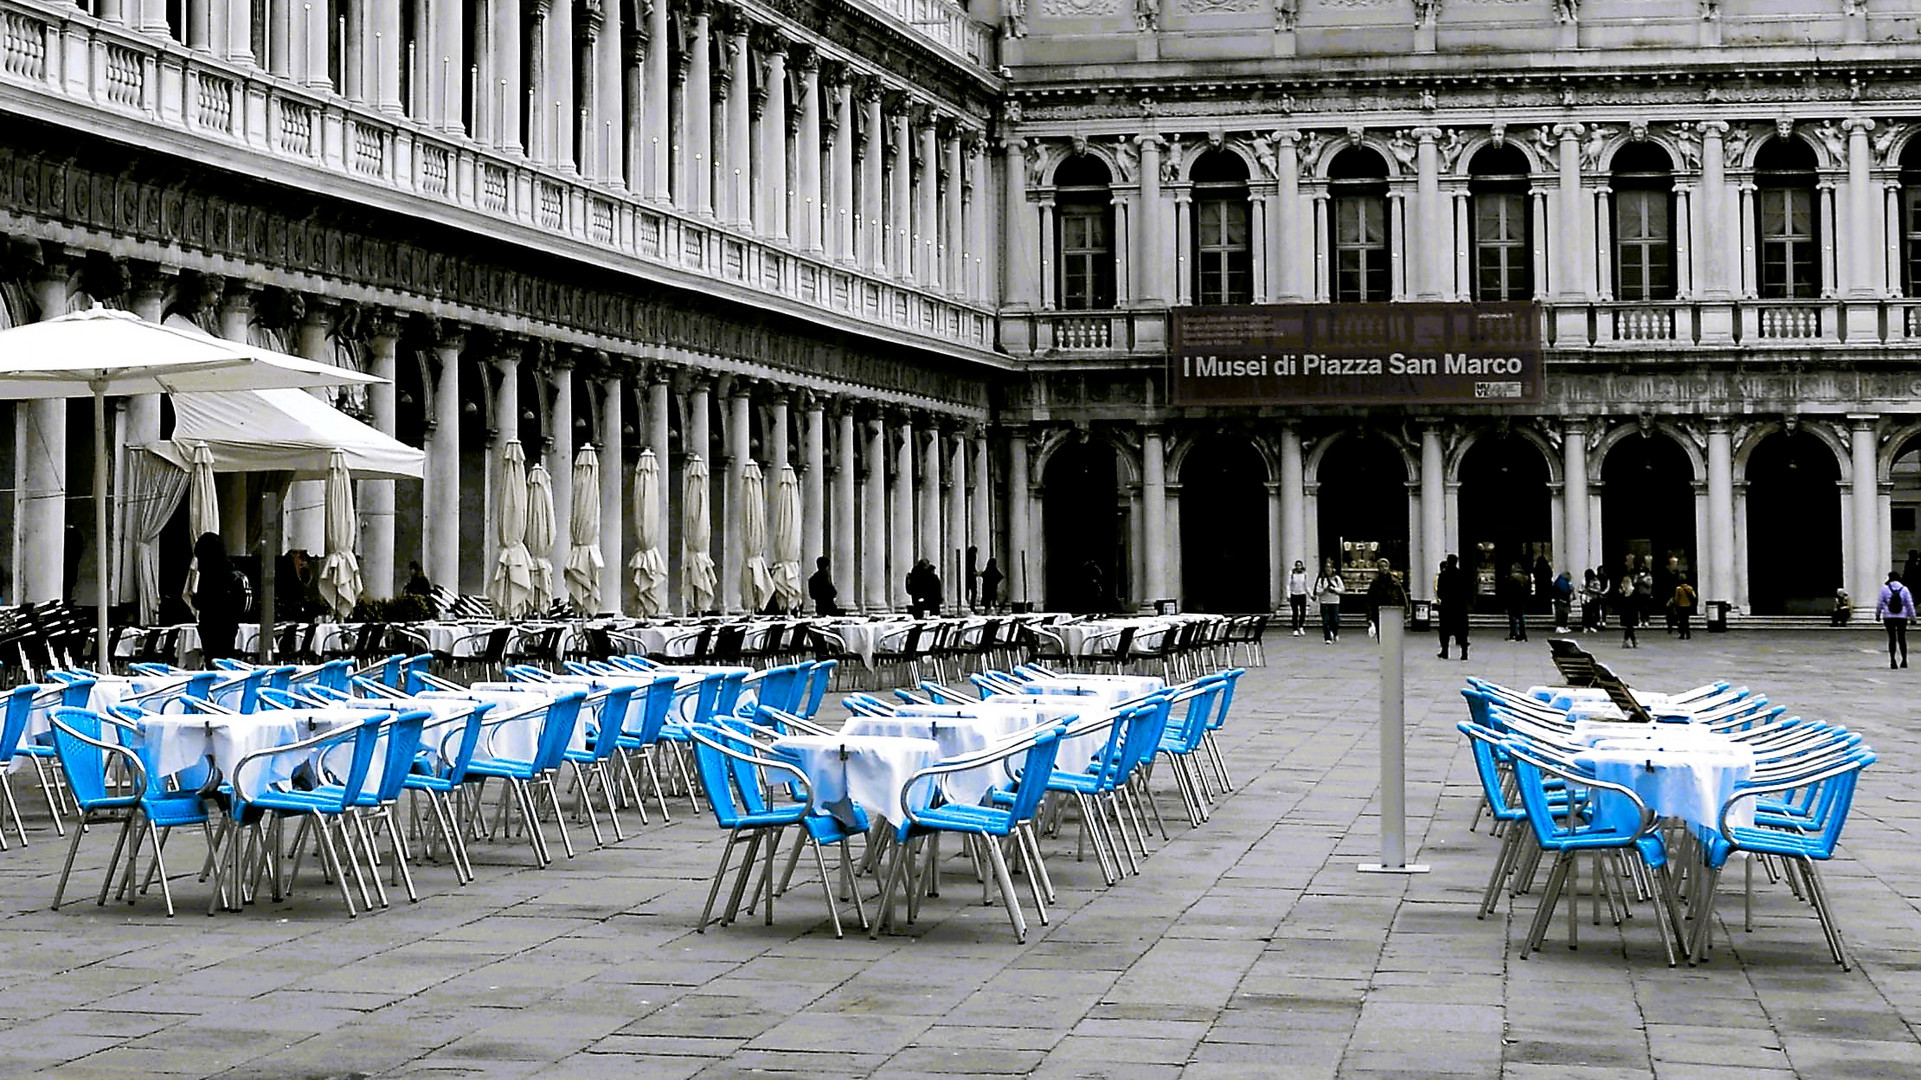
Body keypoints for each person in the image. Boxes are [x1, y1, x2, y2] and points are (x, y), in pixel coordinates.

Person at [193, 532, 241, 662]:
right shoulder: (230, 570)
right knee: (225, 658)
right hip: (229, 624)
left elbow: (201, 601)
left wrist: (194, 598)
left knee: (212, 659)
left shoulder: (208, 573)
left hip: (210, 624)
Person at [1436, 554, 1471, 661]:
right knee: (1462, 631)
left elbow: (1440, 592)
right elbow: (1466, 590)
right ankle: (1464, 653)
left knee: (1444, 631)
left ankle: (1445, 651)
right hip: (1459, 607)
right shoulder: (1462, 574)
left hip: (1447, 607)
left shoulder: (1443, 575)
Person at [1878, 571, 1914, 669]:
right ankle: (1904, 660)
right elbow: (1909, 604)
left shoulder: (1885, 589)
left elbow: (1880, 603)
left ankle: (1893, 660)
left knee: (1892, 638)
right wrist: (1912, 617)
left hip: (1888, 616)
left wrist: (1878, 614)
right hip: (1902, 616)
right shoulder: (1904, 589)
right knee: (1902, 638)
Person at [1364, 560, 1401, 640]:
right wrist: (1369, 617)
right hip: (1379, 613)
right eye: (1381, 566)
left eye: (1386, 566)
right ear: (1378, 568)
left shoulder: (1395, 582)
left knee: (1392, 637)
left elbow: (1402, 597)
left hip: (1392, 612)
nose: (1384, 568)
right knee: (1382, 637)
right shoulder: (1375, 583)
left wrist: (1404, 612)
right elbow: (1369, 600)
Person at [1314, 559, 1345, 644]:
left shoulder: (1337, 578)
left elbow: (1342, 589)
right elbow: (1317, 591)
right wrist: (1324, 589)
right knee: (1325, 620)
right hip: (1324, 602)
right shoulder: (1321, 579)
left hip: (1334, 601)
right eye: (1326, 568)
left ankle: (1335, 632)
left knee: (1335, 619)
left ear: (1333, 569)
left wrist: (1334, 590)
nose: (1328, 570)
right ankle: (1327, 637)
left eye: (1329, 568)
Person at [1503, 563, 1530, 642]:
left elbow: (1510, 591)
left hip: (1513, 600)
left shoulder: (1512, 578)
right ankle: (1522, 635)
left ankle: (1514, 634)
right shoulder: (1525, 578)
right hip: (1522, 600)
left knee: (1513, 618)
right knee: (1521, 618)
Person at [1286, 559, 1309, 636]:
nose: (1299, 567)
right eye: (1297, 565)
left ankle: (1301, 626)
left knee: (1303, 612)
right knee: (1295, 612)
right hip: (1294, 594)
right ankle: (1295, 628)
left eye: (1300, 565)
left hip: (1302, 594)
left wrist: (1310, 594)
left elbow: (1306, 585)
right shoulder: (1292, 573)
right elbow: (1288, 584)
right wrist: (1288, 595)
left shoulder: (1304, 573)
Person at [1618, 569, 1640, 648]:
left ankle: (1628, 641)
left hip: (1626, 612)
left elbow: (1620, 602)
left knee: (1629, 627)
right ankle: (1632, 641)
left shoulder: (1623, 592)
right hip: (1632, 611)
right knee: (1630, 627)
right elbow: (1637, 601)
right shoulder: (1633, 591)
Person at [1672, 573, 1697, 640]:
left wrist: (1675, 605)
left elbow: (1676, 598)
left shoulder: (1678, 589)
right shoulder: (1690, 588)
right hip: (1687, 606)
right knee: (1686, 621)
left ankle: (1682, 634)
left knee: (1681, 621)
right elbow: (1694, 596)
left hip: (1680, 606)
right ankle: (1688, 634)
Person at [1579, 569, 1601, 633]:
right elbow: (1580, 589)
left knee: (1592, 613)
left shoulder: (1595, 581)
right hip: (1586, 599)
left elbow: (1598, 590)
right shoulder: (1584, 581)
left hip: (1593, 599)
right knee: (1586, 613)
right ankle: (1586, 626)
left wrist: (1590, 589)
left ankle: (1592, 626)